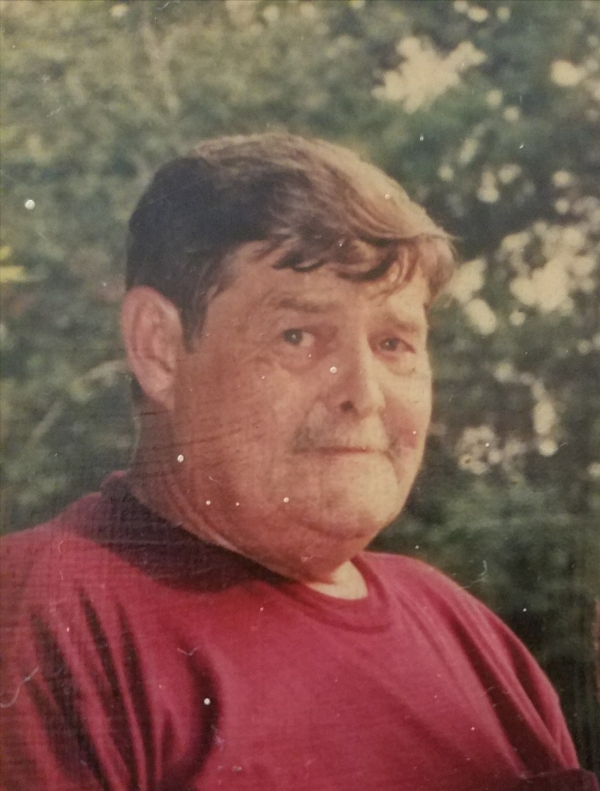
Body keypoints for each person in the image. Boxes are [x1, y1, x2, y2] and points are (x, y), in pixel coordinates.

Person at [0, 134, 597, 791]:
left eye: (394, 342)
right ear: (159, 347)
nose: (363, 393)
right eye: (298, 336)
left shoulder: (471, 636)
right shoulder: (45, 616)